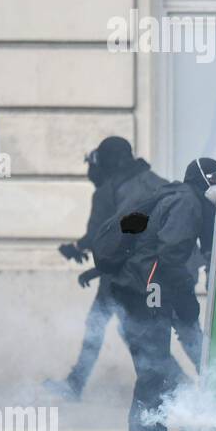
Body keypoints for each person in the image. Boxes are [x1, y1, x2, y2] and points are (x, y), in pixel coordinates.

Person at [45, 137, 166, 401]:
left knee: (101, 326)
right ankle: (177, 387)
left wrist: (80, 251)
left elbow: (105, 235)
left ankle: (76, 385)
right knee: (151, 333)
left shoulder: (110, 191)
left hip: (121, 273)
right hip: (158, 269)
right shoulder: (155, 182)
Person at [105, 171, 207, 431]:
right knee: (153, 365)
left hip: (136, 286)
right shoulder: (188, 202)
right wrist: (186, 297)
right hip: (150, 287)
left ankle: (151, 426)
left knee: (154, 362)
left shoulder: (174, 196)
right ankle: (146, 430)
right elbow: (170, 254)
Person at [161, 157, 216, 374]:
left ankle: (183, 386)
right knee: (164, 337)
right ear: (201, 178)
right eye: (214, 179)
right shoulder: (189, 202)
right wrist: (183, 287)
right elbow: (169, 251)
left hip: (160, 279)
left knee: (157, 338)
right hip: (161, 280)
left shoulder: (190, 199)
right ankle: (203, 380)